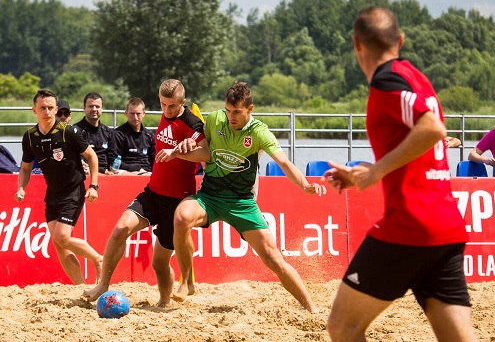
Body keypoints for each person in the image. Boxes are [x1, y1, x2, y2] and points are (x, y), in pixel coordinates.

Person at [324, 7, 495, 342]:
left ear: (356, 45)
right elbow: (419, 143)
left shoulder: (387, 80)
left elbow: (432, 129)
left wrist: (374, 172)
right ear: (400, 41)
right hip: (444, 223)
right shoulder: (415, 76)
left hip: (410, 225)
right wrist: (368, 173)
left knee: (343, 326)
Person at [157, 81, 326, 312]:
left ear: (250, 109)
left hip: (242, 203)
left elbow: (284, 163)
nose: (231, 116)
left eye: (236, 112)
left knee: (274, 259)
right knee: (182, 216)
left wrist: (305, 185)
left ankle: (311, 308)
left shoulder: (259, 131)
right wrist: (185, 144)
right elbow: (200, 145)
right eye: (228, 110)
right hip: (210, 196)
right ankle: (187, 282)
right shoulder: (216, 119)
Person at [83, 80, 210, 307]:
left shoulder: (192, 122)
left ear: (183, 102)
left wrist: (177, 153)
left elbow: (206, 155)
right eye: (163, 105)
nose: (167, 111)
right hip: (153, 192)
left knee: (159, 264)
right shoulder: (165, 113)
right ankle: (103, 284)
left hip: (178, 201)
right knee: (121, 228)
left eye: (172, 106)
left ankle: (166, 300)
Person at [15, 89, 103, 284]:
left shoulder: (68, 132)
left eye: (50, 108)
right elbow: (25, 168)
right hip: (52, 193)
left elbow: (92, 156)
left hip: (73, 189)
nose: (47, 112)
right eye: (42, 108)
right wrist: (21, 187)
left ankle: (99, 259)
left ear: (56, 109)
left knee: (62, 237)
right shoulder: (30, 137)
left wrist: (94, 186)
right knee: (59, 244)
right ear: (34, 110)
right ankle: (80, 287)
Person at [74, 92, 118, 174]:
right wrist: (102, 172)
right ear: (84, 108)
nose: (94, 109)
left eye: (97, 106)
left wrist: (112, 170)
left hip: (108, 173)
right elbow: (79, 160)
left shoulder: (108, 132)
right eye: (91, 106)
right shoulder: (76, 131)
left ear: (102, 109)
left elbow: (113, 158)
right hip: (86, 173)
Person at [113, 97, 155, 175]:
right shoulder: (118, 134)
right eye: (132, 114)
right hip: (126, 171)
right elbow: (115, 161)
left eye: (138, 114)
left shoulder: (150, 135)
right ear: (126, 113)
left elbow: (154, 161)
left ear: (143, 114)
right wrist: (137, 170)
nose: (135, 118)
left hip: (147, 172)